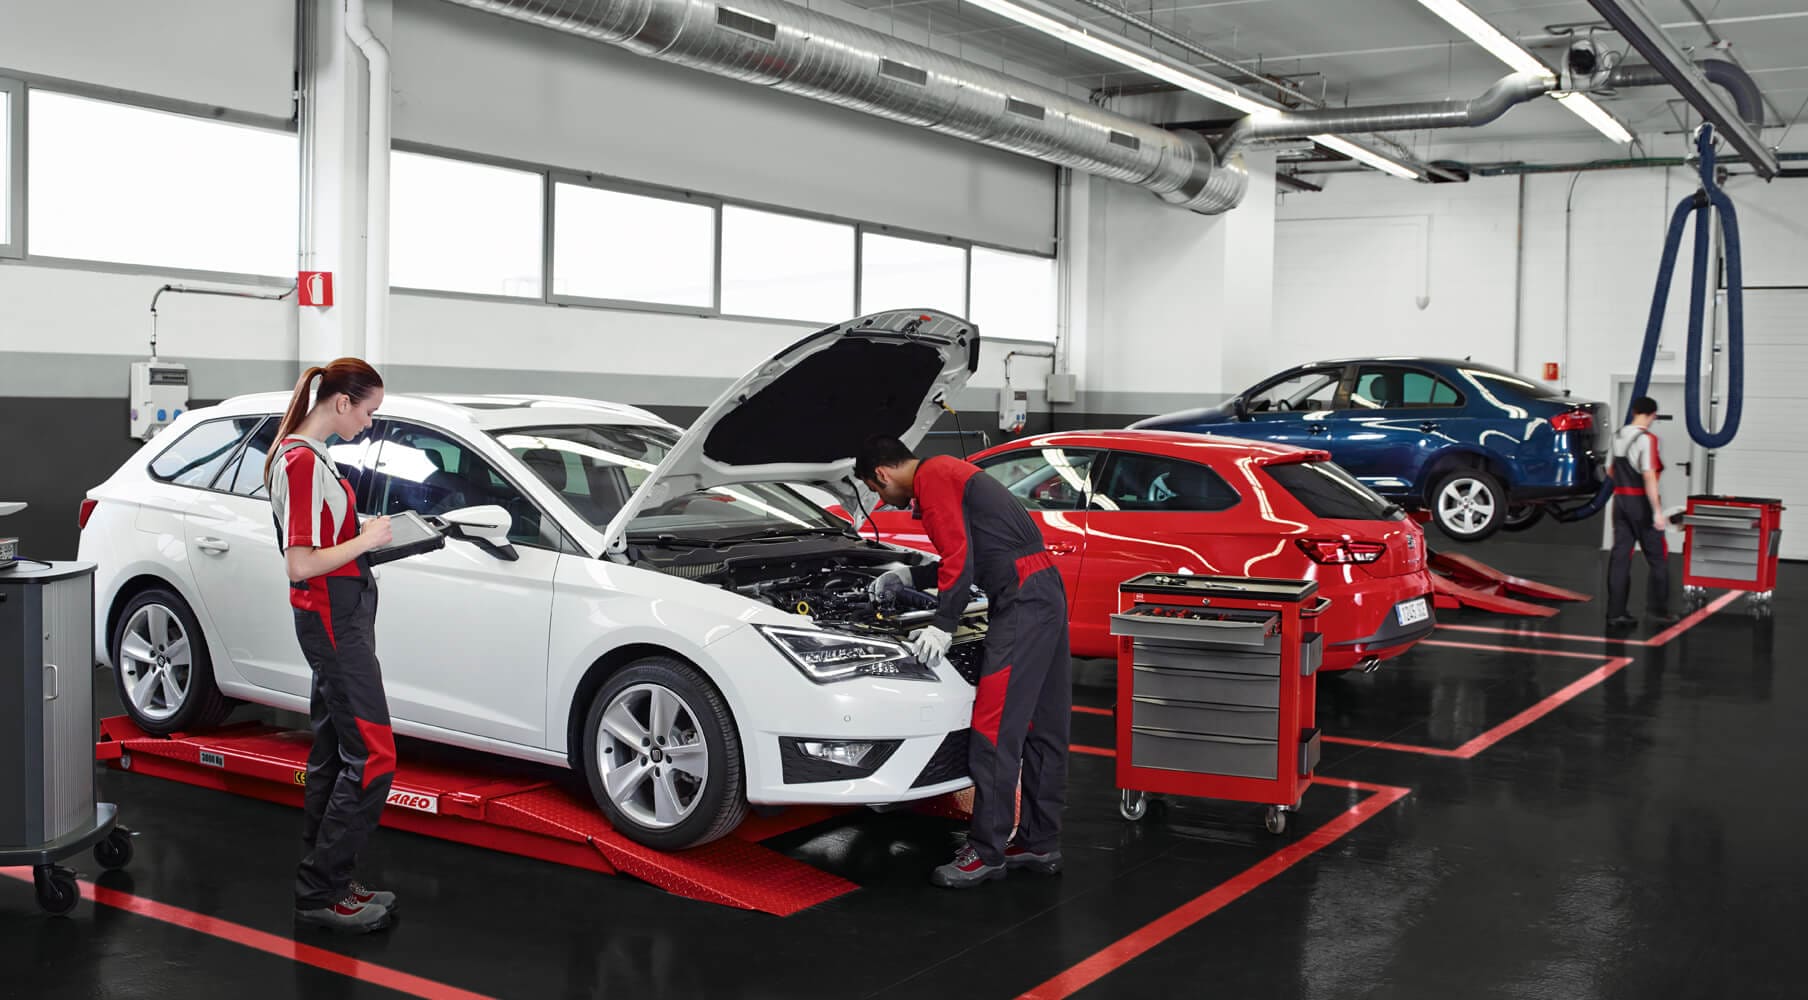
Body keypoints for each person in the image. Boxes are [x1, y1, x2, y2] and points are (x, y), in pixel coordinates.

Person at [856, 435, 1070, 888]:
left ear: (881, 474)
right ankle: (1039, 841)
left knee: (995, 731)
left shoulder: (933, 478)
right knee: (1043, 728)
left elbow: (957, 554)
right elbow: (971, 553)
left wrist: (943, 623)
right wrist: (909, 574)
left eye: (877, 492)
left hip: (1021, 602)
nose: (882, 499)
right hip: (1044, 590)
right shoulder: (949, 472)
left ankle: (988, 851)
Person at [262, 359, 399, 933]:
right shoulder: (299, 462)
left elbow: (322, 543)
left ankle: (329, 881)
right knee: (374, 755)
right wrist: (366, 538)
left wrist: (368, 539)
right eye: (369, 411)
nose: (369, 423)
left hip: (341, 617)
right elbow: (300, 564)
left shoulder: (315, 461)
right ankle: (321, 893)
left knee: (334, 753)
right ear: (342, 402)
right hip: (331, 622)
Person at [1606, 395, 1677, 628]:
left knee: (1620, 558)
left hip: (1620, 503)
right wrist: (1657, 511)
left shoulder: (1616, 435)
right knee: (1658, 559)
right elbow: (1648, 475)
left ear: (1634, 411)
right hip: (1641, 505)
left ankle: (1616, 613)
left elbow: (1609, 471)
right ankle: (1658, 612)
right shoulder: (1647, 439)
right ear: (1652, 415)